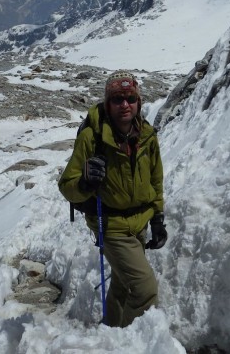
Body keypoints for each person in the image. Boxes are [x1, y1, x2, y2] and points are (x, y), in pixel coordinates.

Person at [58, 70, 167, 327]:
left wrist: (158, 217)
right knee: (144, 290)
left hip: (139, 222)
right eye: (117, 99)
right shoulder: (92, 138)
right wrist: (85, 182)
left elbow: (155, 180)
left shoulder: (147, 136)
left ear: (139, 102)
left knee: (122, 285)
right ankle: (128, 342)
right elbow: (67, 187)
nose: (125, 104)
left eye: (130, 98)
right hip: (111, 226)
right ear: (108, 104)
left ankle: (111, 333)